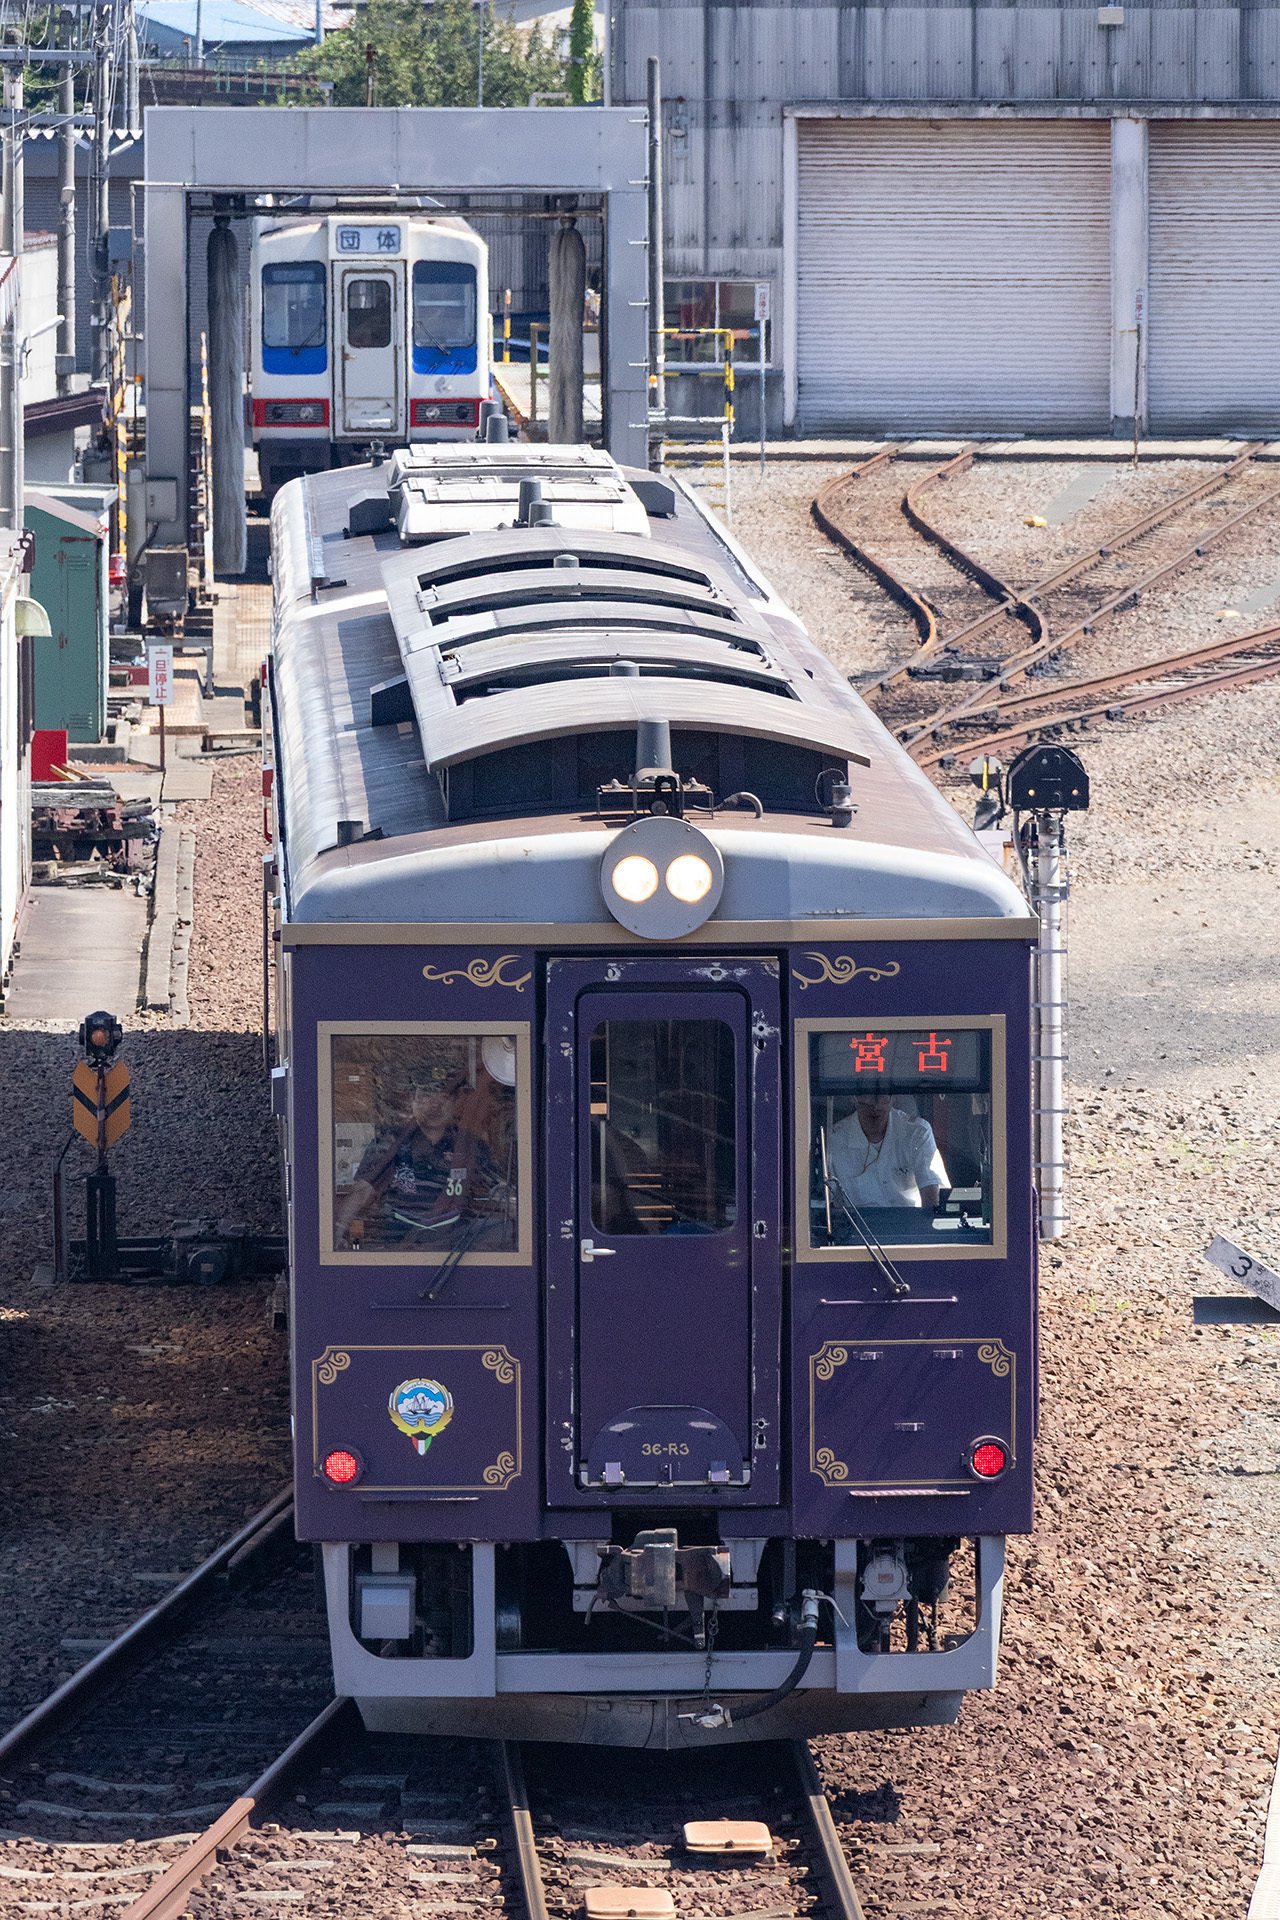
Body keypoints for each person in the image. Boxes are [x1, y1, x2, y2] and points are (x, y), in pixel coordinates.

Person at [337, 1068, 503, 1251]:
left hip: (455, 1246)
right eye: (425, 1096)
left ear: (455, 1103)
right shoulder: (390, 1141)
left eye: (443, 1097)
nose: (434, 1105)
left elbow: (496, 1194)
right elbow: (362, 1191)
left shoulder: (470, 1145)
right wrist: (339, 1230)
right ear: (412, 1101)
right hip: (397, 1245)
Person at [826, 1092, 948, 1217]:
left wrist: (927, 1223)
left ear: (893, 1098)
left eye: (882, 1096)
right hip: (856, 1225)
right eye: (868, 1095)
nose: (875, 1105)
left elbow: (931, 1188)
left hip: (910, 1222)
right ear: (854, 1098)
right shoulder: (834, 1140)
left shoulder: (917, 1132)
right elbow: (825, 1200)